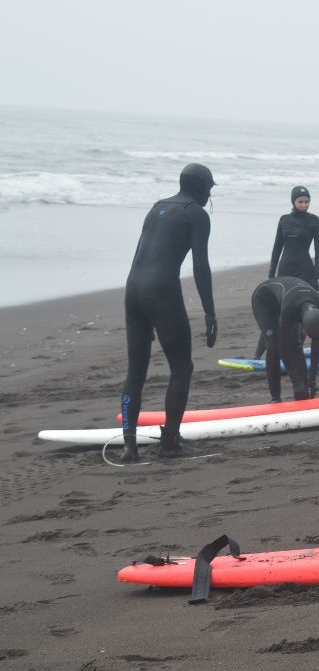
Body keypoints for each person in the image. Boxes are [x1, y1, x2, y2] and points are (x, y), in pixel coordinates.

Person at [119, 163, 218, 462]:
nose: (210, 194)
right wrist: (210, 314)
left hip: (133, 290)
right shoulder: (196, 214)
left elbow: (139, 253)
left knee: (135, 372)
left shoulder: (156, 207)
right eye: (210, 188)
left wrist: (143, 313)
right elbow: (200, 266)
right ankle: (170, 443)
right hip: (162, 292)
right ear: (202, 187)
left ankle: (129, 447)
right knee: (181, 368)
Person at [251, 276, 319, 403]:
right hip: (264, 300)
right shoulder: (290, 309)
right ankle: (275, 398)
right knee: (274, 347)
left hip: (292, 299)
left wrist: (312, 381)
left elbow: (317, 346)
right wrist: (295, 382)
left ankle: (303, 394)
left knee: (296, 345)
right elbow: (283, 347)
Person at [269, 185, 319, 289]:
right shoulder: (284, 220)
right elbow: (277, 248)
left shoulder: (314, 220)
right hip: (285, 270)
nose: (304, 205)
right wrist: (271, 275)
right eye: (300, 202)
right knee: (284, 303)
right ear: (293, 201)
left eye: (307, 202)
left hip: (305, 270)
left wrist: (316, 277)